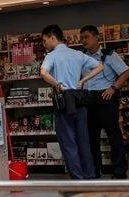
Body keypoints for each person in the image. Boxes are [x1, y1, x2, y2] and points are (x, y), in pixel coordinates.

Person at [39, 24, 105, 180]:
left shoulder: (52, 56)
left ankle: (77, 178)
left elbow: (43, 73)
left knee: (68, 141)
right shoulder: (77, 54)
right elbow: (100, 67)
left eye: (45, 40)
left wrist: (56, 84)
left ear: (52, 37)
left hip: (64, 100)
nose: (44, 44)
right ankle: (89, 174)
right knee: (83, 140)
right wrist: (82, 80)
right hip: (80, 98)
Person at [79, 25, 129, 179]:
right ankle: (94, 171)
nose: (83, 40)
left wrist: (113, 88)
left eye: (86, 37)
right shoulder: (82, 58)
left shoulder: (108, 55)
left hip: (106, 98)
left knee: (114, 137)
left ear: (97, 37)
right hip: (89, 99)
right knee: (90, 138)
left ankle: (119, 172)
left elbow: (126, 72)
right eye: (81, 38)